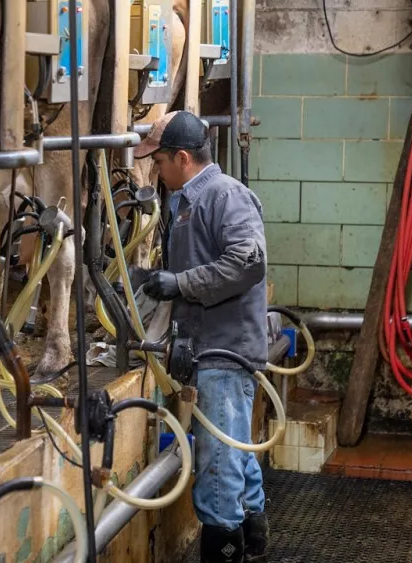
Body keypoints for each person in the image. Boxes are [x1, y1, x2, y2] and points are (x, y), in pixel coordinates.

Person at [135, 110, 270, 563]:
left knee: (217, 461)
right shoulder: (187, 200)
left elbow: (249, 262)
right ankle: (254, 540)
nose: (156, 170)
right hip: (208, 347)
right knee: (234, 451)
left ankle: (224, 546)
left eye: (159, 161)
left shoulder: (225, 195)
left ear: (182, 157)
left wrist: (181, 283)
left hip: (226, 351)